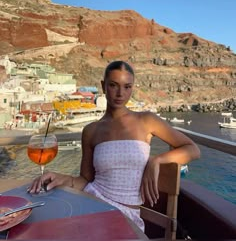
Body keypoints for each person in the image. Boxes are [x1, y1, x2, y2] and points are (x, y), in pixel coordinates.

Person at [28, 60, 200, 232]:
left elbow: (192, 149)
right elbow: (85, 179)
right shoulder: (91, 130)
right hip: (93, 206)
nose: (120, 93)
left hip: (127, 217)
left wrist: (156, 161)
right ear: (103, 86)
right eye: (113, 85)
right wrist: (62, 178)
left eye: (127, 87)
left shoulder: (146, 120)